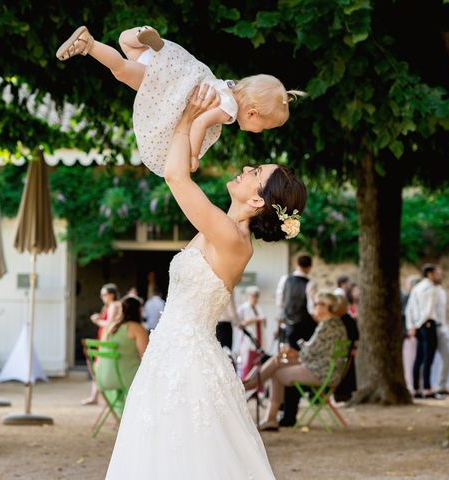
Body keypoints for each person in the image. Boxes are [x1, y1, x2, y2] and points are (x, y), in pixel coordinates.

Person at [104, 85, 307, 479]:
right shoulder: (222, 226)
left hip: (187, 361)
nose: (247, 169)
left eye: (256, 174)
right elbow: (186, 165)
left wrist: (185, 119)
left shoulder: (232, 239)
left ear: (258, 202)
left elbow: (176, 178)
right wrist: (201, 120)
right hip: (171, 355)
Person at [56, 25, 305, 174]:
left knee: (125, 43)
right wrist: (193, 155)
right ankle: (88, 44)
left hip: (172, 65)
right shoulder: (228, 108)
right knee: (121, 69)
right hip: (167, 86)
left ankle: (141, 33)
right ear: (251, 113)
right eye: (264, 127)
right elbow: (198, 124)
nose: (259, 132)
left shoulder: (231, 86)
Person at [244, 292, 349, 431]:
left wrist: (294, 352)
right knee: (277, 360)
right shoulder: (336, 324)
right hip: (324, 369)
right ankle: (253, 385)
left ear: (326, 307)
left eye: (318, 304)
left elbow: (308, 354)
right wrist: (296, 353)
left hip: (319, 371)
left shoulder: (326, 327)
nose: (315, 306)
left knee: (277, 372)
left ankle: (265, 409)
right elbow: (313, 352)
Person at [276, 254, 317, 427]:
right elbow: (311, 308)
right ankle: (294, 410)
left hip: (288, 329)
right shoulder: (311, 283)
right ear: (310, 266)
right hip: (305, 330)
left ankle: (287, 413)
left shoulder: (285, 280)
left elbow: (280, 303)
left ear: (296, 264)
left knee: (286, 364)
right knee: (300, 366)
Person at [405, 264, 445, 400]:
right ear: (430, 274)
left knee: (419, 358)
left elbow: (409, 309)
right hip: (427, 325)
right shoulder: (431, 289)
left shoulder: (416, 288)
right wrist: (417, 325)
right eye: (437, 273)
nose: (439, 276)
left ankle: (416, 388)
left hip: (418, 327)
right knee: (428, 359)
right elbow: (428, 311)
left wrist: (411, 326)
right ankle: (427, 389)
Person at [95, 296, 149, 396]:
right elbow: (146, 358)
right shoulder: (136, 328)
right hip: (127, 377)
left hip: (105, 376)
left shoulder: (111, 327)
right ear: (138, 310)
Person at [83, 283, 121, 406]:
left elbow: (110, 324)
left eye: (104, 294)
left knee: (99, 366)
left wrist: (97, 321)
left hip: (107, 340)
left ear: (111, 294)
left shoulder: (114, 305)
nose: (102, 297)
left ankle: (97, 396)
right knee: (98, 366)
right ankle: (94, 396)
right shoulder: (107, 307)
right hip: (103, 339)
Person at [236, 285, 267, 380]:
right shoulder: (243, 309)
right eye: (253, 296)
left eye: (256, 296)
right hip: (247, 341)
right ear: (249, 296)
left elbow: (263, 324)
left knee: (257, 364)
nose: (255, 298)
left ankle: (257, 389)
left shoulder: (259, 309)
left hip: (258, 341)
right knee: (247, 364)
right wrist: (254, 320)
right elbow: (239, 324)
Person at [401, 275, 420, 392]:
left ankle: (415, 384)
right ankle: (410, 384)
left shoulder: (412, 298)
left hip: (412, 334)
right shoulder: (406, 298)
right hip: (408, 335)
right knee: (408, 361)